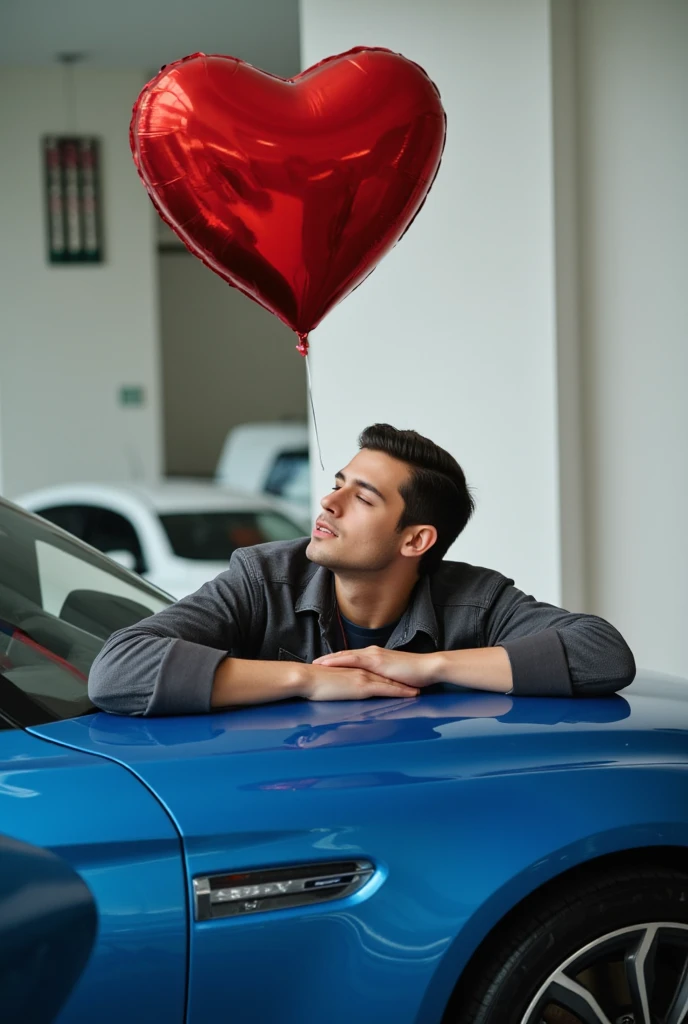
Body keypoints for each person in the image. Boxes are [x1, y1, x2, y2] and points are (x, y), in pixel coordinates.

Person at [88, 424, 635, 716]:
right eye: (336, 484)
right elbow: (118, 672)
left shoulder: (474, 599)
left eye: (363, 498)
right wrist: (305, 679)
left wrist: (430, 667)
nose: (329, 504)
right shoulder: (264, 578)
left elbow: (602, 654)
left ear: (415, 539)